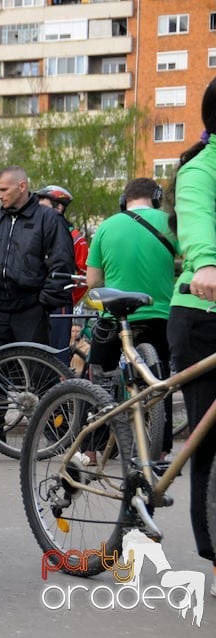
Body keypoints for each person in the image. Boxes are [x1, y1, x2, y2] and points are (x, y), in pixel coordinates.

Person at [0, 167, 74, 449]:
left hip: (31, 306)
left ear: (22, 186)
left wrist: (44, 300)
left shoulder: (48, 219)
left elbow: (61, 263)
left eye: (4, 190)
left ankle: (57, 432)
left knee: (40, 371)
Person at [167, 74, 216, 599]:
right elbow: (199, 221)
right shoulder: (202, 167)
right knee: (211, 436)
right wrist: (207, 262)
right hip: (203, 309)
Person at [87, 177, 177, 458]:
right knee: (159, 381)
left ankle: (92, 450)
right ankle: (159, 452)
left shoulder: (107, 226)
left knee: (100, 380)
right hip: (159, 315)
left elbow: (93, 280)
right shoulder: (171, 224)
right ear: (157, 198)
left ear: (124, 200)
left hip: (115, 317)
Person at [36, 184, 89, 364]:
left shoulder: (75, 238)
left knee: (58, 354)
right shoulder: (36, 230)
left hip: (59, 301)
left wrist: (68, 295)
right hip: (34, 302)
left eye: (42, 204)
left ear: (59, 207)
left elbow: (85, 276)